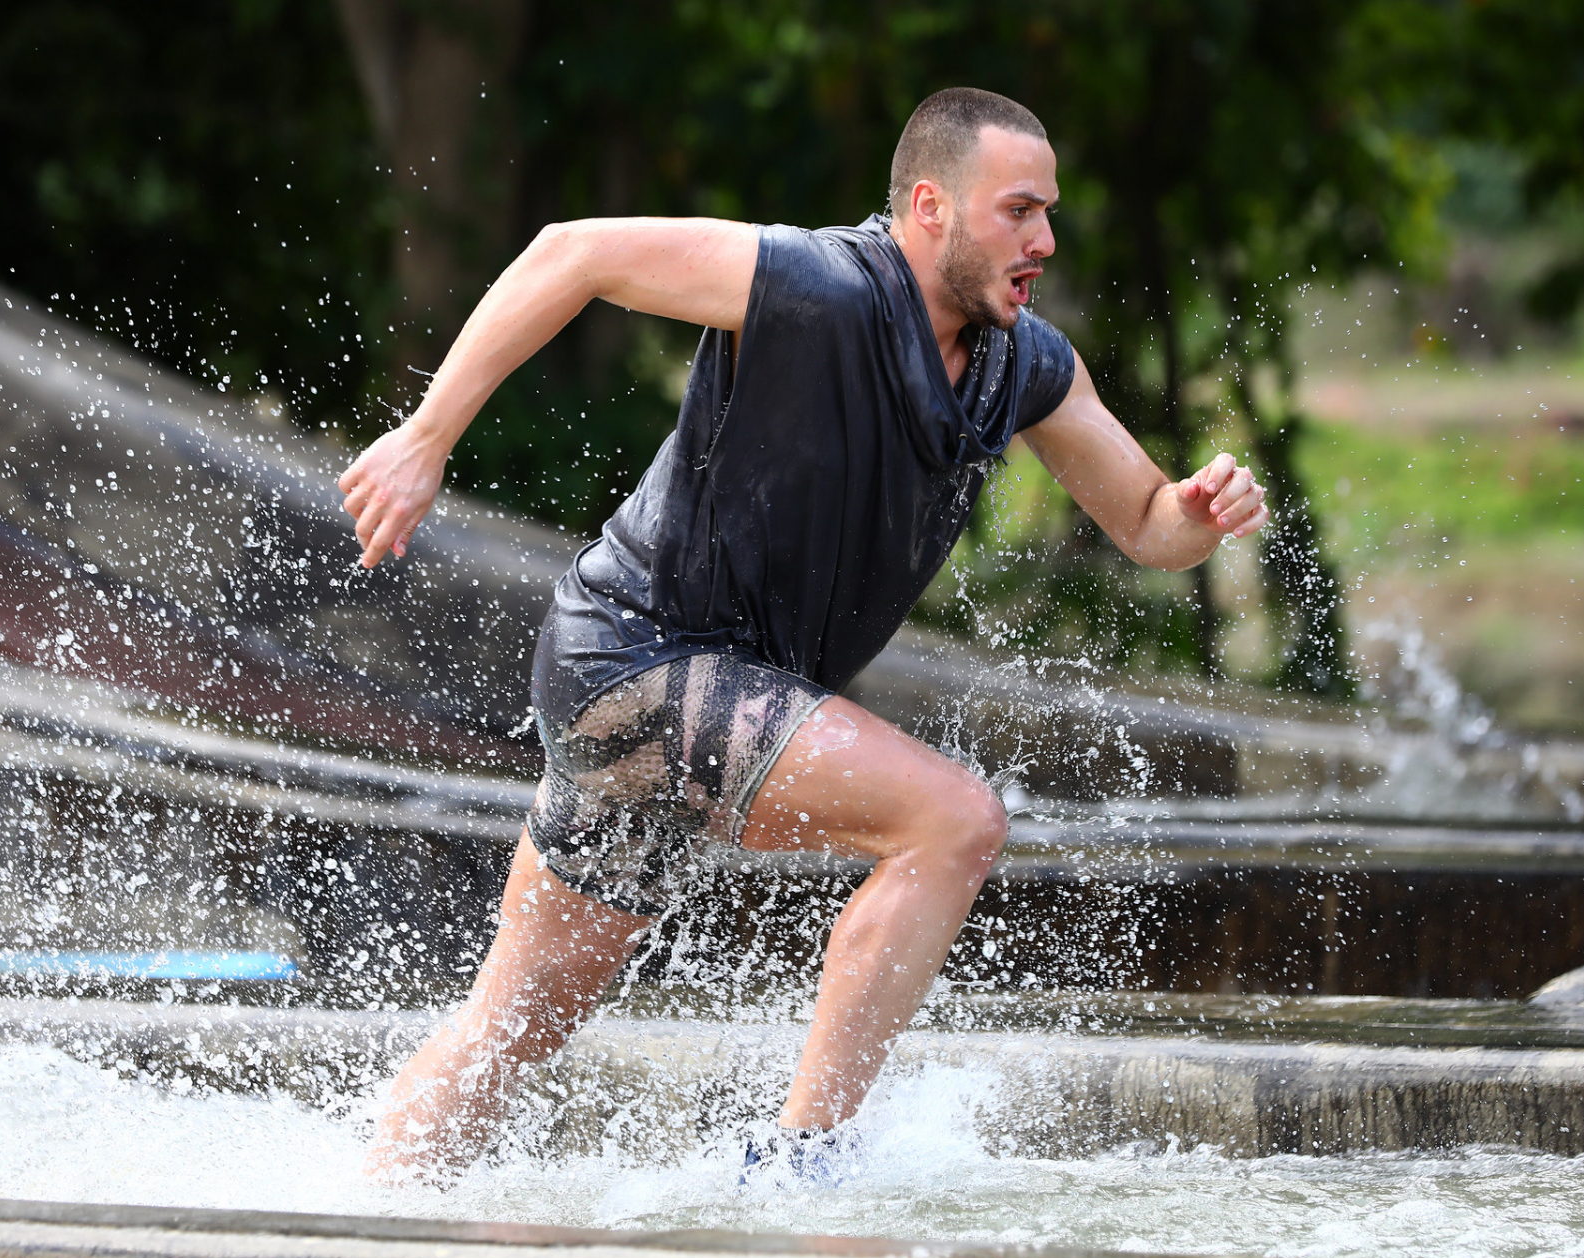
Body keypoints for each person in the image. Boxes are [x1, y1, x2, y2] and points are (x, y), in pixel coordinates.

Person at [340, 87, 1269, 1182]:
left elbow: (1146, 520)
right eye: (1020, 210)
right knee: (951, 821)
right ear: (932, 207)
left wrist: (1194, 518)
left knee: (507, 1034)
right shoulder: (817, 285)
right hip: (634, 658)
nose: (1046, 240)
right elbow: (570, 250)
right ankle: (802, 1164)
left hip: (675, 696)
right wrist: (427, 433)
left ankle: (353, 1211)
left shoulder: (1026, 367)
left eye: (1049, 212)